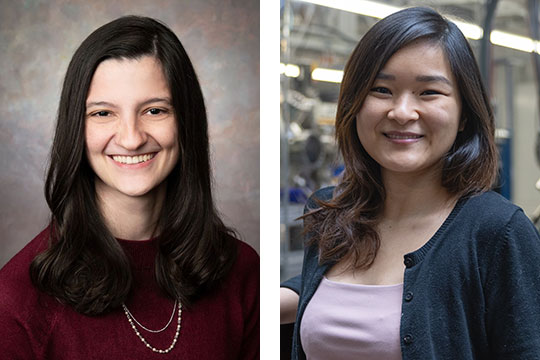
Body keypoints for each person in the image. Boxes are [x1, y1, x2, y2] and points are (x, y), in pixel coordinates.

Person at [280, 6, 540, 360]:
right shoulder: (328, 214)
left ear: (464, 114)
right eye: (381, 90)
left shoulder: (498, 233)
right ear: (355, 104)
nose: (401, 112)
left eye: (429, 92)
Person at [0, 16, 259, 359]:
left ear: (186, 122)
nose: (132, 138)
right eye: (103, 113)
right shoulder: (16, 299)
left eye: (154, 110)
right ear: (76, 128)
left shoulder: (242, 270)